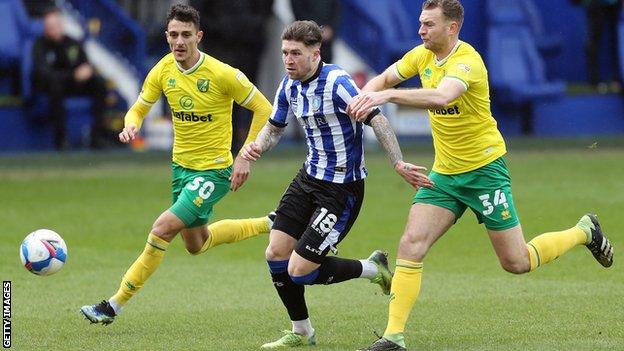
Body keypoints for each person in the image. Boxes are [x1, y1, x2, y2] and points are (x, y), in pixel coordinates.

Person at [347, 1, 615, 350]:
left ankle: (583, 231)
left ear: (452, 27)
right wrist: (361, 97)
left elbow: (443, 97)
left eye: (428, 24)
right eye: (420, 23)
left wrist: (386, 95)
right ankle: (394, 337)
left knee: (516, 262)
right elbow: (384, 78)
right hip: (444, 175)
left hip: (485, 172)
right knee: (411, 245)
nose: (420, 31)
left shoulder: (467, 62)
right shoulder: (421, 55)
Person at [239, 20, 433, 349]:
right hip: (308, 179)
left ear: (316, 54)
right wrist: (256, 147)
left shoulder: (337, 82)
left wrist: (397, 162)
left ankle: (372, 269)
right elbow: (274, 127)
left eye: (296, 54)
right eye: (285, 53)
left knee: (299, 271)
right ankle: (302, 332)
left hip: (342, 189)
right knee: (275, 252)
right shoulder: (288, 86)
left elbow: (378, 118)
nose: (288, 60)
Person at [80, 4, 274, 325]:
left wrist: (244, 155)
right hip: (181, 171)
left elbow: (263, 108)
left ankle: (112, 305)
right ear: (166, 36)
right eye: (173, 34)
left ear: (199, 36)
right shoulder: (163, 70)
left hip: (214, 172)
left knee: (161, 229)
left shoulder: (223, 74)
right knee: (197, 244)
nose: (179, 41)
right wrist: (131, 124)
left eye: (186, 35)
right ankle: (270, 223)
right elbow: (139, 108)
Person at [189, 0, 274, 154]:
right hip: (219, 44)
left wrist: (254, 24)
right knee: (221, 97)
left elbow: (265, 7)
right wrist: (218, 27)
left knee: (250, 95)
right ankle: (223, 144)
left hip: (250, 43)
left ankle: (251, 144)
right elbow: (197, 11)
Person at [32, 7, 109, 149]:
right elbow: (44, 73)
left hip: (76, 85)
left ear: (61, 25)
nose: (53, 29)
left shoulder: (72, 43)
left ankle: (96, 136)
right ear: (45, 28)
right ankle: (61, 140)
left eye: (56, 25)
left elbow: (85, 64)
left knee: (99, 83)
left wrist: (87, 71)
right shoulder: (40, 45)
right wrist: (72, 75)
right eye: (50, 26)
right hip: (55, 87)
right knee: (55, 87)